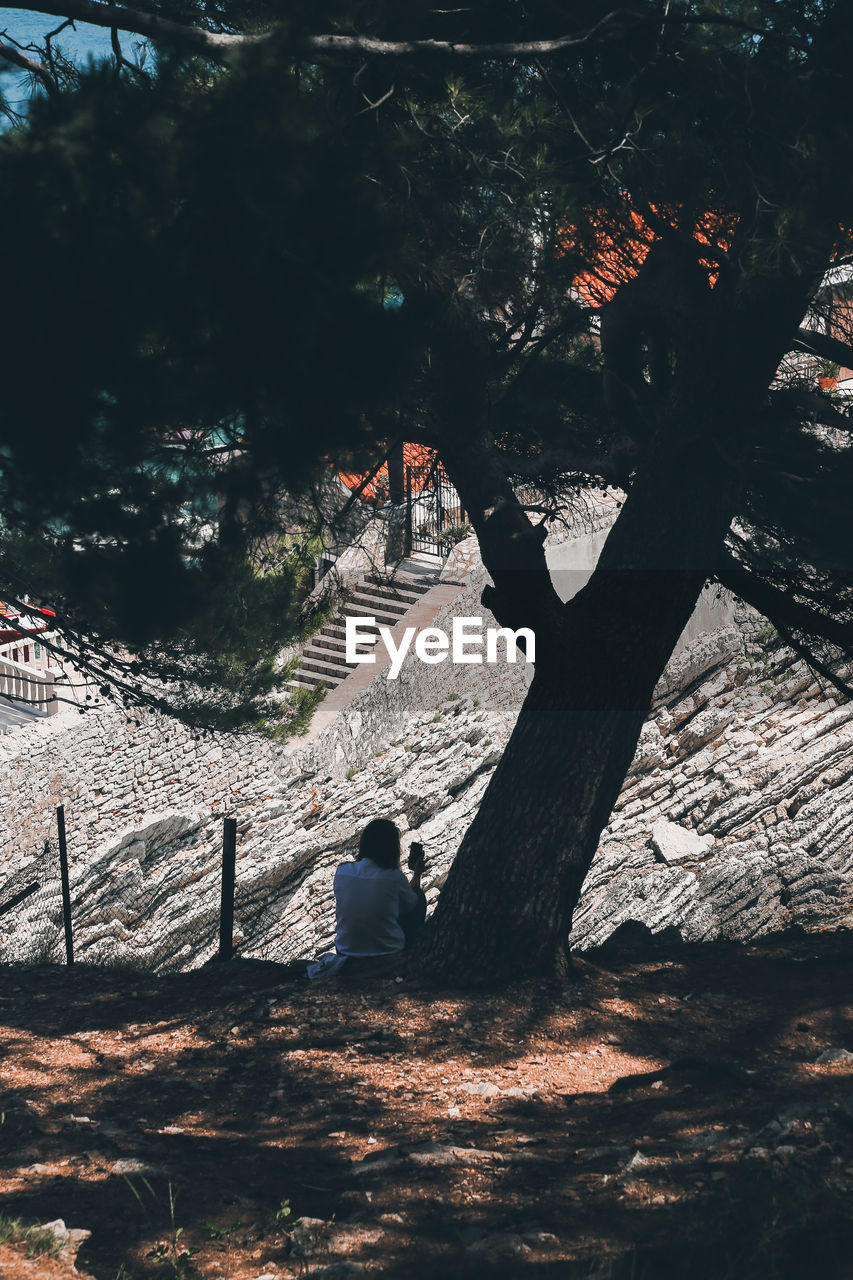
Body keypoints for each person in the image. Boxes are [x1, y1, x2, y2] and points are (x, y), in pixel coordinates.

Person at [306, 819, 427, 980]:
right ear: (392, 848)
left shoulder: (342, 871)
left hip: (346, 952)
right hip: (387, 954)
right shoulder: (394, 877)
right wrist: (417, 874)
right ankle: (414, 950)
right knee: (419, 900)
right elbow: (411, 906)